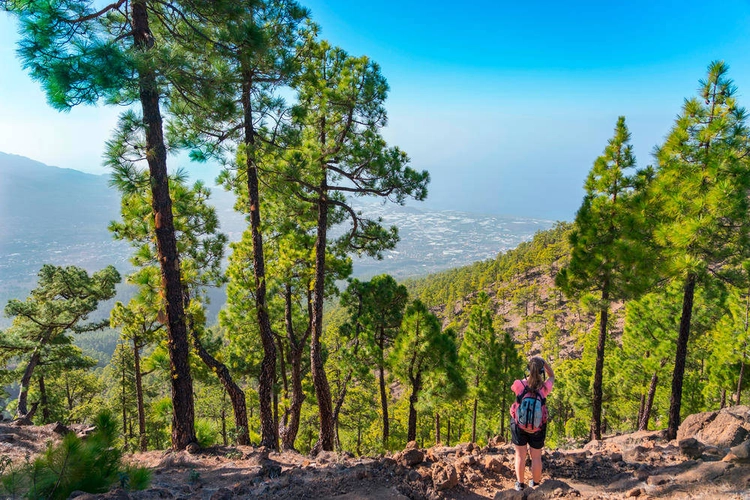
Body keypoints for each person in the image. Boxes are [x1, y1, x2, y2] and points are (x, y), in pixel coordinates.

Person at [510, 356, 554, 491]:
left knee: (520, 455)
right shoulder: (545, 388)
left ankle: (520, 484)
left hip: (519, 425)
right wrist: (545, 363)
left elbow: (514, 388)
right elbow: (552, 376)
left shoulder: (519, 384)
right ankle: (535, 484)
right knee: (536, 457)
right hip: (537, 428)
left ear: (528, 369)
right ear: (541, 371)